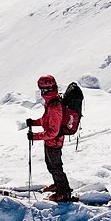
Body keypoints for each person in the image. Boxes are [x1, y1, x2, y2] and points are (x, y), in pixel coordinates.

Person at [27, 74, 74, 202]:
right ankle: (58, 185)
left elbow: (53, 132)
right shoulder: (51, 101)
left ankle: (64, 193)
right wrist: (34, 122)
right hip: (51, 141)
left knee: (55, 167)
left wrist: (35, 136)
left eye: (43, 89)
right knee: (51, 165)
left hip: (54, 142)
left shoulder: (54, 106)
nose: (42, 91)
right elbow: (47, 120)